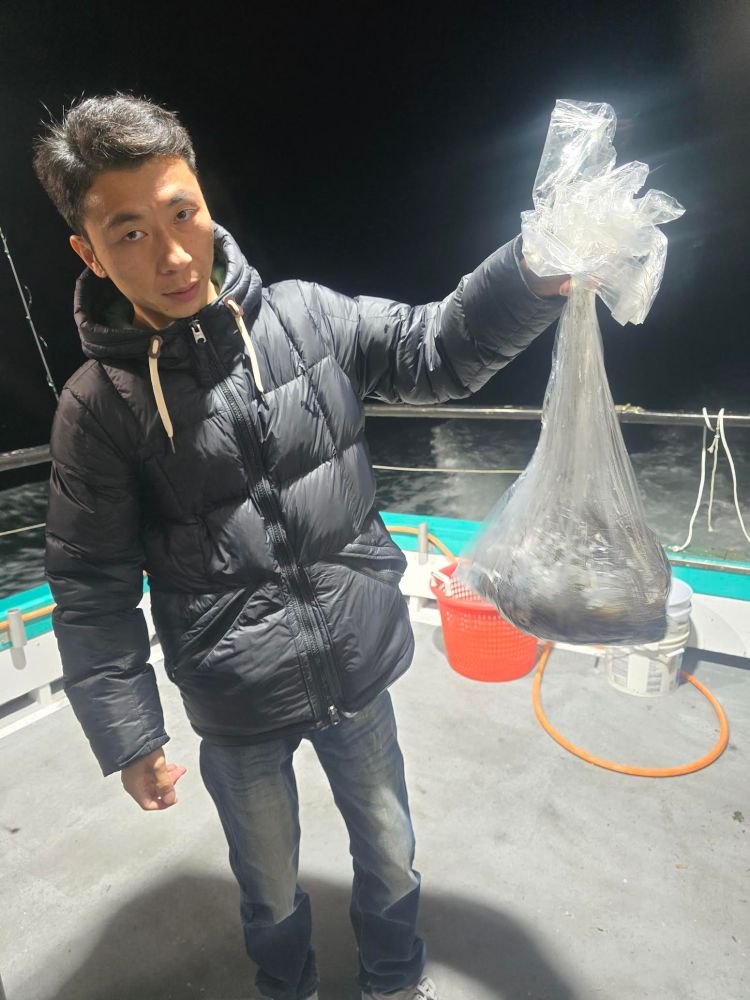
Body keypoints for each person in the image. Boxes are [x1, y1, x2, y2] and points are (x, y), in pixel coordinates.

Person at [32, 93, 567, 1000]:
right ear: (88, 253)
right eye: (130, 233)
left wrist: (533, 271)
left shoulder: (307, 317)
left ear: (205, 200)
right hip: (234, 700)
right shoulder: (97, 409)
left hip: (356, 666)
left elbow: (435, 351)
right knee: (269, 880)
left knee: (390, 849)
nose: (173, 254)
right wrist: (129, 736)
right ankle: (289, 989)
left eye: (182, 213)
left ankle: (394, 980)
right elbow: (90, 583)